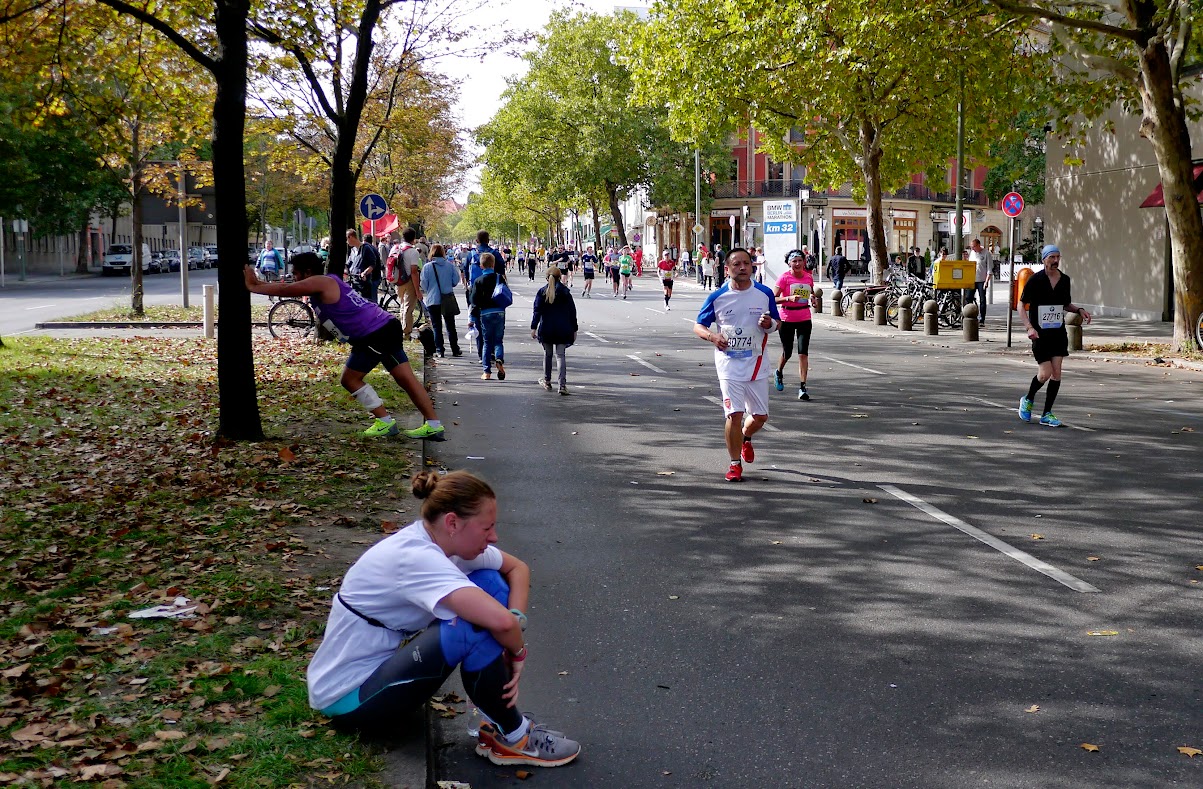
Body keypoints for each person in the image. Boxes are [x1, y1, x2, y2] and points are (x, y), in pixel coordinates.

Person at [306, 470, 581, 767]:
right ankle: (516, 738)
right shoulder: (416, 557)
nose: (494, 537)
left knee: (489, 581)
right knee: (471, 626)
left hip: (375, 678)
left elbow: (518, 569)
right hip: (350, 698)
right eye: (486, 528)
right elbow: (500, 624)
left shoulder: (444, 544)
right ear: (452, 522)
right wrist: (516, 651)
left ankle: (494, 717)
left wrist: (516, 620)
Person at [244, 253, 444, 440]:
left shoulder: (320, 281)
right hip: (381, 327)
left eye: (296, 273)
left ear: (307, 272)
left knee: (350, 379)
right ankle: (433, 425)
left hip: (374, 334)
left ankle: (384, 421)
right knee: (406, 380)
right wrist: (256, 282)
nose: (294, 278)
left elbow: (284, 290)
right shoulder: (324, 283)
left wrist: (254, 286)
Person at [693, 248, 781, 482]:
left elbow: (776, 324)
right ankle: (734, 464)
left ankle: (745, 436)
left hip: (757, 364)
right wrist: (713, 337)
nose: (742, 267)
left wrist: (770, 323)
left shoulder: (764, 294)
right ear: (727, 269)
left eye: (746, 263)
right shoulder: (717, 297)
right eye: (736, 264)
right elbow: (698, 326)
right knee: (734, 413)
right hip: (729, 365)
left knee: (760, 417)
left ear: (752, 266)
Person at [1018, 245, 1092, 427]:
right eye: (1051, 257)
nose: (1055, 260)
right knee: (1045, 374)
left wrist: (1080, 310)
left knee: (1057, 373)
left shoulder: (1064, 280)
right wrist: (1029, 327)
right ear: (1044, 259)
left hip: (1058, 332)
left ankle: (1047, 413)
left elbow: (1065, 304)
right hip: (1039, 334)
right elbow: (1021, 305)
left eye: (1058, 257)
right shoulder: (1035, 280)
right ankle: (1027, 399)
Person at [773, 249, 818, 401]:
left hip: (804, 317)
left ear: (804, 262)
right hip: (786, 318)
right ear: (789, 263)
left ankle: (803, 387)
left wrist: (813, 298)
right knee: (788, 352)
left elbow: (810, 293)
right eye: (794, 261)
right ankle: (779, 371)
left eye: (800, 260)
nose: (797, 263)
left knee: (803, 352)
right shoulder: (784, 278)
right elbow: (773, 299)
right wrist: (789, 298)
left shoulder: (808, 277)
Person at [530, 267, 578, 395]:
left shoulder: (542, 292)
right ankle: (562, 385)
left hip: (547, 328)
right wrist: (574, 329)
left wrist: (533, 328)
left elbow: (537, 311)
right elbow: (572, 312)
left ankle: (547, 380)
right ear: (560, 277)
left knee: (548, 354)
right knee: (560, 355)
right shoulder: (565, 292)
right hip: (563, 329)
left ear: (547, 278)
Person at [470, 252, 509, 381]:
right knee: (498, 341)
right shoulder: (499, 278)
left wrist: (472, 318)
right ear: (493, 264)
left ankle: (486, 371)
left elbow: (474, 301)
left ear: (481, 266)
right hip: (499, 312)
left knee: (486, 342)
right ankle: (499, 358)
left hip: (485, 313)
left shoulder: (478, 281)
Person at [420, 244, 462, 358]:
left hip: (433, 300)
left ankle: (439, 350)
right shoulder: (449, 265)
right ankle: (455, 349)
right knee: (450, 325)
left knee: (437, 326)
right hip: (447, 299)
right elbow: (455, 280)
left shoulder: (427, 267)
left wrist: (430, 289)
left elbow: (423, 284)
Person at [347, 230, 381, 304]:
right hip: (354, 282)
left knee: (367, 304)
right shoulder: (353, 250)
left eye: (347, 239)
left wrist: (365, 273)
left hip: (364, 284)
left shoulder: (366, 248)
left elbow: (372, 264)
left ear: (351, 237)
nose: (347, 242)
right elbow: (348, 264)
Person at [966, 238, 993, 325]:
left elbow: (989, 269)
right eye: (971, 247)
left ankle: (982, 318)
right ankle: (970, 314)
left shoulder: (986, 253)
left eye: (974, 247)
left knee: (982, 299)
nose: (972, 248)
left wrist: (986, 281)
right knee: (968, 297)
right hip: (972, 279)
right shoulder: (972, 253)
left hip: (982, 280)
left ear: (978, 245)